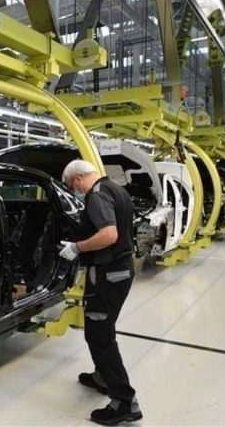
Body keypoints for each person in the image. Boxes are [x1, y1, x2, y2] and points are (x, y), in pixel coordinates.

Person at [58, 160, 141, 425]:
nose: (75, 191)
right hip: (120, 271)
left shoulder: (96, 196)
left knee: (100, 335)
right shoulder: (115, 188)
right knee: (103, 329)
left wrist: (77, 248)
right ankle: (102, 376)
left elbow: (108, 234)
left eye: (73, 186)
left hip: (107, 274)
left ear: (79, 178)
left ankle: (124, 401)